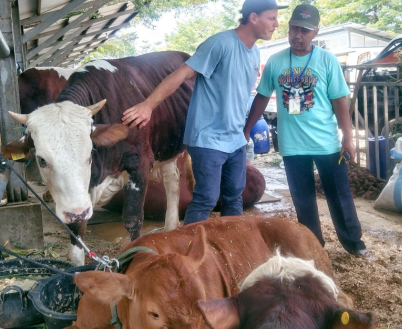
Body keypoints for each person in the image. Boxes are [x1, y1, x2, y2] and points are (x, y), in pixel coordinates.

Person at [121, 0, 286, 225]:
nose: (276, 24)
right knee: (206, 198)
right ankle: (191, 253)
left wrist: (245, 131)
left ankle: (229, 248)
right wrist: (148, 105)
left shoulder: (254, 52)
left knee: (234, 197)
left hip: (235, 139)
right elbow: (180, 75)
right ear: (254, 17)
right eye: (272, 18)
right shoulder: (219, 44)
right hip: (208, 138)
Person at [244, 4, 374, 261]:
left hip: (327, 144)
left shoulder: (326, 61)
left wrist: (348, 138)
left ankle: (354, 243)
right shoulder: (276, 61)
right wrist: (246, 129)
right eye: (294, 28)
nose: (297, 35)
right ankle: (313, 247)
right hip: (293, 146)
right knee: (303, 201)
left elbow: (340, 101)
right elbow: (261, 97)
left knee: (340, 196)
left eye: (304, 30)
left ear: (315, 32)